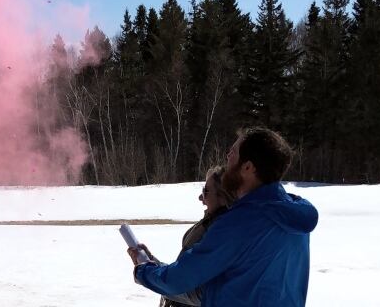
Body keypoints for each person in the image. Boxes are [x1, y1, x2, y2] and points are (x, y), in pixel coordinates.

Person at [128, 127, 318, 307]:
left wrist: (144, 270)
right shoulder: (294, 216)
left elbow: (181, 279)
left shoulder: (240, 223)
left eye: (233, 152)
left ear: (248, 167)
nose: (227, 157)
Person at [154, 166, 236, 307]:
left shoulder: (219, 232)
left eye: (206, 191)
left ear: (222, 197)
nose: (200, 197)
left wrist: (153, 277)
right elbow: (185, 269)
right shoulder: (210, 221)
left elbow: (198, 289)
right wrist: (154, 264)